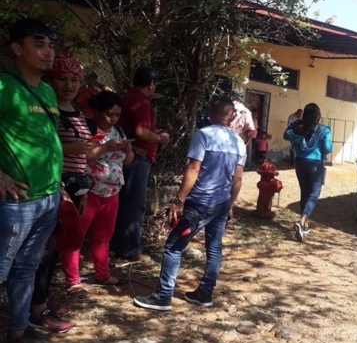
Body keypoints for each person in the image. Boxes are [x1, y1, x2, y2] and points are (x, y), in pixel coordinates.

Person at [133, 97, 245, 311]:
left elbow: (193, 169)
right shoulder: (238, 142)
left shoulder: (203, 135)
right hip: (220, 204)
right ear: (231, 117)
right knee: (214, 249)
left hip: (199, 204)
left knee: (174, 247)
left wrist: (179, 199)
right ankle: (204, 293)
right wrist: (230, 205)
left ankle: (163, 295)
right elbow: (237, 179)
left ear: (210, 114)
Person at [0, 18, 63, 343]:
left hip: (49, 197)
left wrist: (59, 185)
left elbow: (47, 140)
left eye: (51, 45)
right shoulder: (4, 87)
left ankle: (18, 333)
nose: (47, 52)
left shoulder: (48, 90)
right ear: (16, 48)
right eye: (38, 44)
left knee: (27, 268)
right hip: (16, 202)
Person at [28, 53, 91, 335]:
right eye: (62, 79)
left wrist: (85, 192)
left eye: (74, 80)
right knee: (43, 251)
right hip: (55, 187)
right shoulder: (46, 109)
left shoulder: (78, 114)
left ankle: (40, 299)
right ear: (51, 80)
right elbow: (43, 149)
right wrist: (61, 186)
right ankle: (35, 309)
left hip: (75, 189)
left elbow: (85, 156)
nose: (69, 85)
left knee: (56, 249)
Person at [64, 91, 135, 292]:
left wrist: (127, 152)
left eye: (116, 115)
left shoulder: (118, 131)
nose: (113, 119)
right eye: (109, 114)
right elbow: (83, 156)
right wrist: (106, 148)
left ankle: (102, 274)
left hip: (112, 192)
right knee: (77, 235)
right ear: (97, 112)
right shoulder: (88, 128)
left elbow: (126, 162)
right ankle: (73, 280)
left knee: (104, 236)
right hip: (90, 191)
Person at [112, 66, 170, 262]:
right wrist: (160, 138)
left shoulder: (129, 97)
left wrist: (154, 131)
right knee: (134, 204)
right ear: (151, 84)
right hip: (137, 157)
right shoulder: (141, 102)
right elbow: (141, 132)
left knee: (124, 202)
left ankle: (118, 245)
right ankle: (130, 249)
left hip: (129, 156)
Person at [283, 103, 332, 242]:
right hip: (316, 164)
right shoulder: (323, 130)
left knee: (304, 192)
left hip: (300, 162)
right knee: (314, 194)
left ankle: (304, 226)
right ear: (318, 115)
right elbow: (328, 148)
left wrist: (293, 125)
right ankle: (302, 219)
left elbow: (285, 135)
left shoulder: (299, 129)